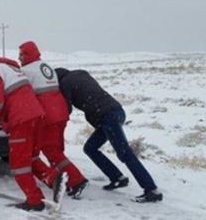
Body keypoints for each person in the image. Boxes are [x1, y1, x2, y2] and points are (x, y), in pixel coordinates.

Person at [55, 68, 163, 203]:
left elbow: (66, 108)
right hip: (116, 111)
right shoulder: (81, 73)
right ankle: (117, 178)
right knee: (90, 148)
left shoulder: (65, 83)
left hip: (106, 116)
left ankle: (151, 189)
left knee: (124, 153)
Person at [0, 43, 47, 211]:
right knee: (31, 158)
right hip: (36, 114)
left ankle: (34, 201)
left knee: (19, 164)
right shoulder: (9, 67)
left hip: (20, 119)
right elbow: (9, 93)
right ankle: (55, 180)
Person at [18, 41, 88, 199]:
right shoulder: (46, 66)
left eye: (22, 54)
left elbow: (22, 93)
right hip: (60, 112)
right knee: (56, 149)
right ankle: (64, 178)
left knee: (51, 150)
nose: (19, 57)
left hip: (47, 115)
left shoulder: (26, 71)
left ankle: (76, 181)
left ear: (28, 54)